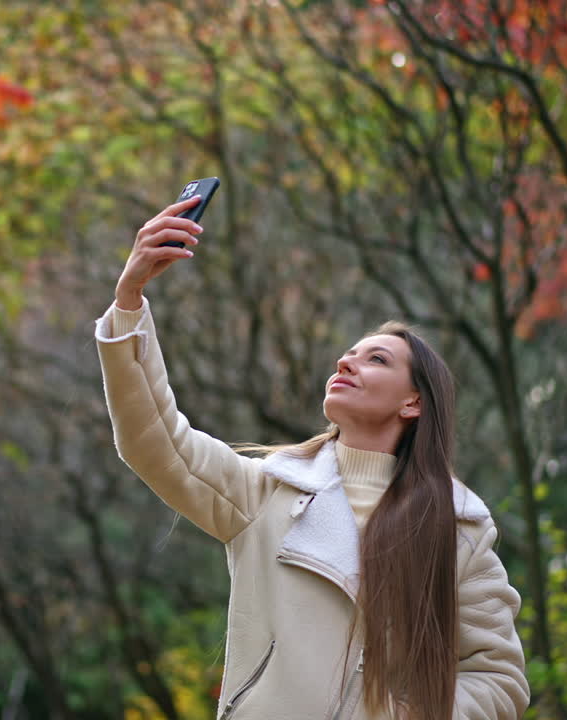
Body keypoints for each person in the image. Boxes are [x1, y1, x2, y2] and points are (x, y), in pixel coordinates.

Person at [93, 194, 531, 719]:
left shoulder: (459, 529)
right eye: (350, 352)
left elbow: (499, 678)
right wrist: (129, 298)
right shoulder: (266, 493)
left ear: (414, 402)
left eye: (377, 358)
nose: (347, 359)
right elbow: (153, 439)